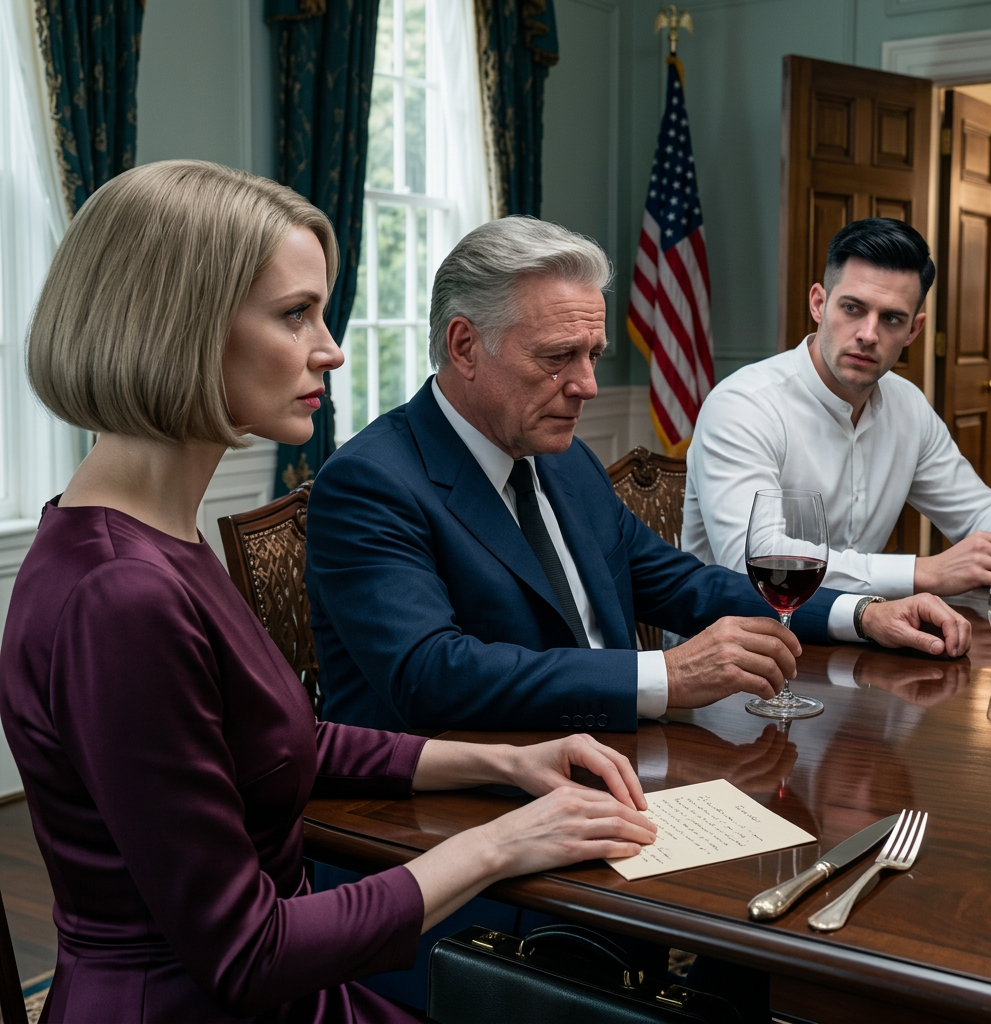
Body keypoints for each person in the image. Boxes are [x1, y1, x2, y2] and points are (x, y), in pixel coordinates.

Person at [0, 162, 659, 1024]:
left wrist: (502, 763)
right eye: (293, 313)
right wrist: (500, 843)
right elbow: (247, 952)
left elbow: (282, 743)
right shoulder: (125, 594)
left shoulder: (149, 534)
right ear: (181, 329)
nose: (331, 346)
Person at [305, 217, 970, 735]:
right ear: (464, 346)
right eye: (560, 357)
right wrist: (664, 676)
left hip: (614, 765)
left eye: (593, 354)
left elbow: (684, 586)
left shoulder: (564, 460)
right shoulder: (370, 482)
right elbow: (433, 676)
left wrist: (862, 614)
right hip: (448, 822)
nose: (589, 386)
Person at [683, 217, 991, 598]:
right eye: (852, 308)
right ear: (818, 304)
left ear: (913, 330)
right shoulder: (744, 405)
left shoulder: (908, 406)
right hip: (732, 639)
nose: (868, 334)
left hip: (861, 635)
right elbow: (756, 558)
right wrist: (923, 572)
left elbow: (981, 515)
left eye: (892, 318)